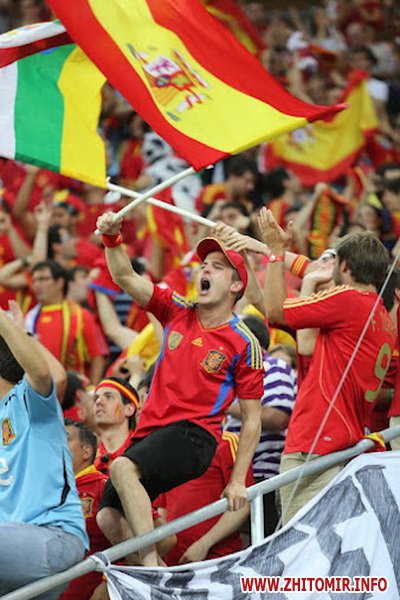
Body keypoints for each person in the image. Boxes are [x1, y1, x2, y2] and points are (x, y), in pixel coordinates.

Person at [96, 211, 264, 567]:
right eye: (204, 265)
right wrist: (112, 238)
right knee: (108, 517)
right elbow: (125, 276)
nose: (205, 270)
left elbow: (252, 418)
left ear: (236, 286)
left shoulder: (243, 341)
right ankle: (161, 566)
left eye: (217, 267)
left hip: (195, 435)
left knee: (122, 468)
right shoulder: (175, 309)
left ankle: (150, 570)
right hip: (150, 431)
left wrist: (237, 481)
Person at [258, 207, 396, 523]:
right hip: (344, 441)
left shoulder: (348, 299)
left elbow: (275, 310)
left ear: (344, 266)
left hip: (315, 441)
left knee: (298, 542)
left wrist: (276, 254)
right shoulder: (384, 320)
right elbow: (306, 346)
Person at [0, 307, 88, 597]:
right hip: (15, 555)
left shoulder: (26, 401)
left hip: (53, 536)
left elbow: (51, 375)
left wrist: (17, 329)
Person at [225, 315, 297, 536]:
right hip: (235, 478)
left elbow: (278, 417)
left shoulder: (273, 367)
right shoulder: (233, 375)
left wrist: (224, 404)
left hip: (264, 477)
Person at [25, 259, 107, 383]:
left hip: (71, 388)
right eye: (34, 280)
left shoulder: (80, 315)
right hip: (39, 388)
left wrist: (92, 388)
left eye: (42, 279)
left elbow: (97, 357)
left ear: (60, 282)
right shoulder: (29, 318)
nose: (36, 285)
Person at [62, 419, 109, 600]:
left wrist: (108, 583)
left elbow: (144, 541)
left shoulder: (104, 487)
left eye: (65, 438)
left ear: (86, 451)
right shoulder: (45, 492)